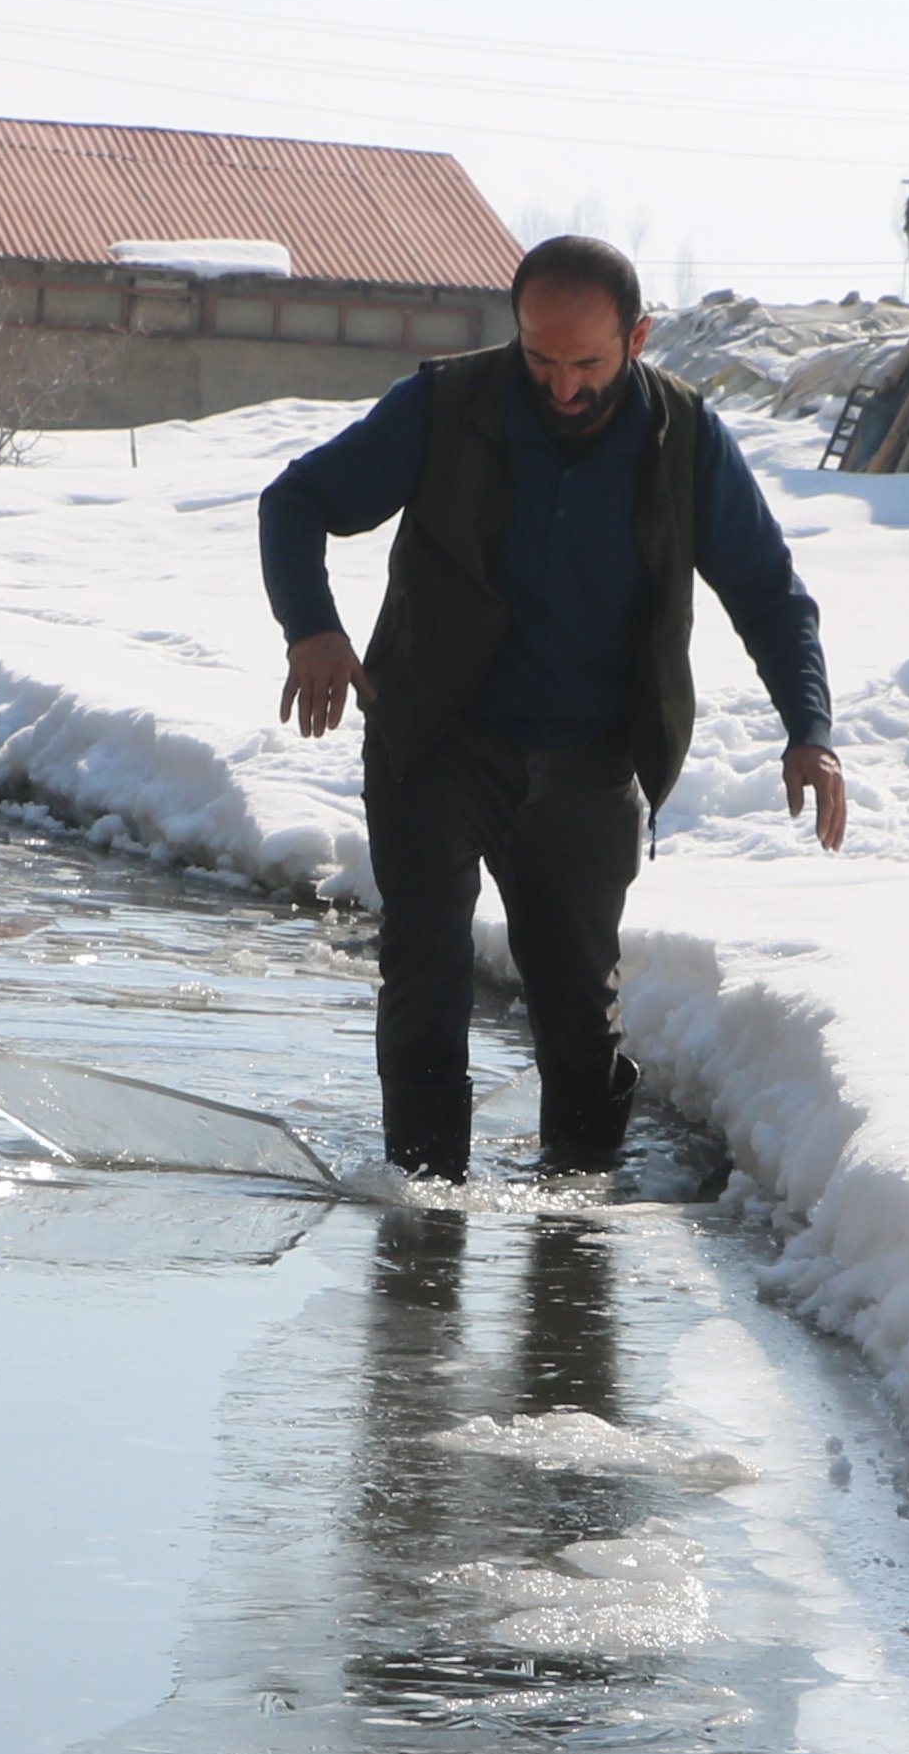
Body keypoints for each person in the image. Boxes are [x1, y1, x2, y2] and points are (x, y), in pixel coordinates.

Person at [258, 236, 847, 1182]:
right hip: (437, 742)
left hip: (589, 760)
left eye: (588, 364)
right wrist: (312, 628)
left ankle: (578, 1210)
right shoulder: (446, 404)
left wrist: (808, 730)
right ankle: (424, 1201)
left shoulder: (684, 438)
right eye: (540, 359)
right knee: (426, 973)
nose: (563, 387)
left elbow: (769, 594)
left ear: (638, 339)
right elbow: (296, 501)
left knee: (577, 1008)